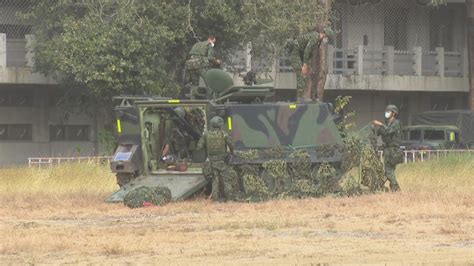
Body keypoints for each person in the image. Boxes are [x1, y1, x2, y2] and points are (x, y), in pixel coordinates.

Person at [197, 116, 234, 201]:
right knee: (226, 180)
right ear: (220, 125)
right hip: (222, 161)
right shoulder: (224, 134)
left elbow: (199, 146)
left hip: (211, 161)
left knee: (215, 180)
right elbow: (231, 145)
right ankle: (229, 199)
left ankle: (215, 199)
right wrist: (231, 153)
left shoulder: (206, 134)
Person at [372, 105, 402, 192]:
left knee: (389, 171)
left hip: (393, 150)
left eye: (388, 111)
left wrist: (380, 124)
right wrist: (373, 127)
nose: (386, 113)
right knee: (388, 171)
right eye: (386, 111)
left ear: (393, 113)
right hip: (388, 150)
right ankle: (390, 188)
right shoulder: (386, 125)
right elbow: (376, 134)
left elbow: (389, 130)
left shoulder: (396, 123)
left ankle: (396, 188)